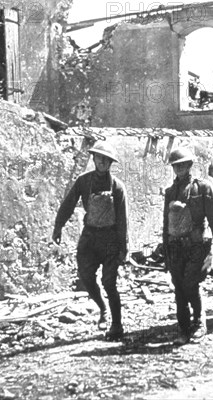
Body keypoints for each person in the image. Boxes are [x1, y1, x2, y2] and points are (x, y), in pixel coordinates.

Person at [52, 140, 128, 340]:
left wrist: (123, 248)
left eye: (106, 160)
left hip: (110, 238)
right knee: (85, 275)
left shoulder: (118, 187)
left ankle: (117, 325)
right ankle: (102, 308)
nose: (102, 162)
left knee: (109, 283)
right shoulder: (83, 181)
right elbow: (68, 204)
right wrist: (58, 226)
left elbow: (123, 220)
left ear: (111, 163)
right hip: (90, 237)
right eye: (99, 158)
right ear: (93, 158)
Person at [163, 147, 213, 346]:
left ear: (190, 165)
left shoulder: (203, 189)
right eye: (176, 166)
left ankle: (199, 322)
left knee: (190, 283)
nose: (180, 168)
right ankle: (183, 328)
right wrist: (165, 250)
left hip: (198, 246)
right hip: (176, 247)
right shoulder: (170, 192)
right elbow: (166, 225)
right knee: (179, 288)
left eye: (183, 165)